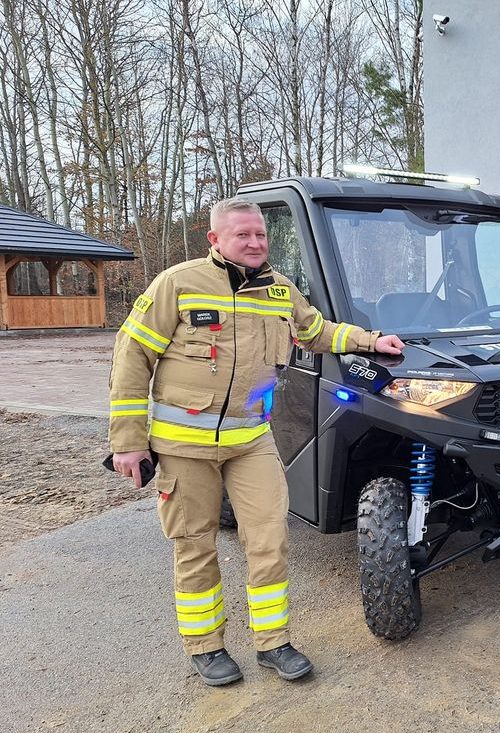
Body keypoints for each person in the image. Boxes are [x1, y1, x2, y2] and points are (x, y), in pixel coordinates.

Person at [108, 198, 405, 686]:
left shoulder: (278, 290)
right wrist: (128, 442)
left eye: (260, 235)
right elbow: (132, 355)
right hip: (184, 448)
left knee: (269, 541)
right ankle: (206, 647)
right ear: (216, 239)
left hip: (251, 441)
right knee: (195, 545)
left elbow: (316, 332)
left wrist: (371, 341)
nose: (254, 243)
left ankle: (273, 642)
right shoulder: (178, 284)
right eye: (242, 234)